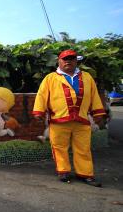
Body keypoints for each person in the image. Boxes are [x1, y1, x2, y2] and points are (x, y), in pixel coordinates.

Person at [33, 49, 106, 186]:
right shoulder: (50, 78)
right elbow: (42, 95)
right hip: (59, 120)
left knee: (83, 148)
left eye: (71, 58)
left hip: (82, 120)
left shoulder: (87, 77)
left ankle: (85, 174)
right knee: (59, 147)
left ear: (76, 61)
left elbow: (94, 95)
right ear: (59, 61)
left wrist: (98, 113)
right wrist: (39, 112)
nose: (68, 61)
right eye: (65, 59)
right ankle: (63, 171)